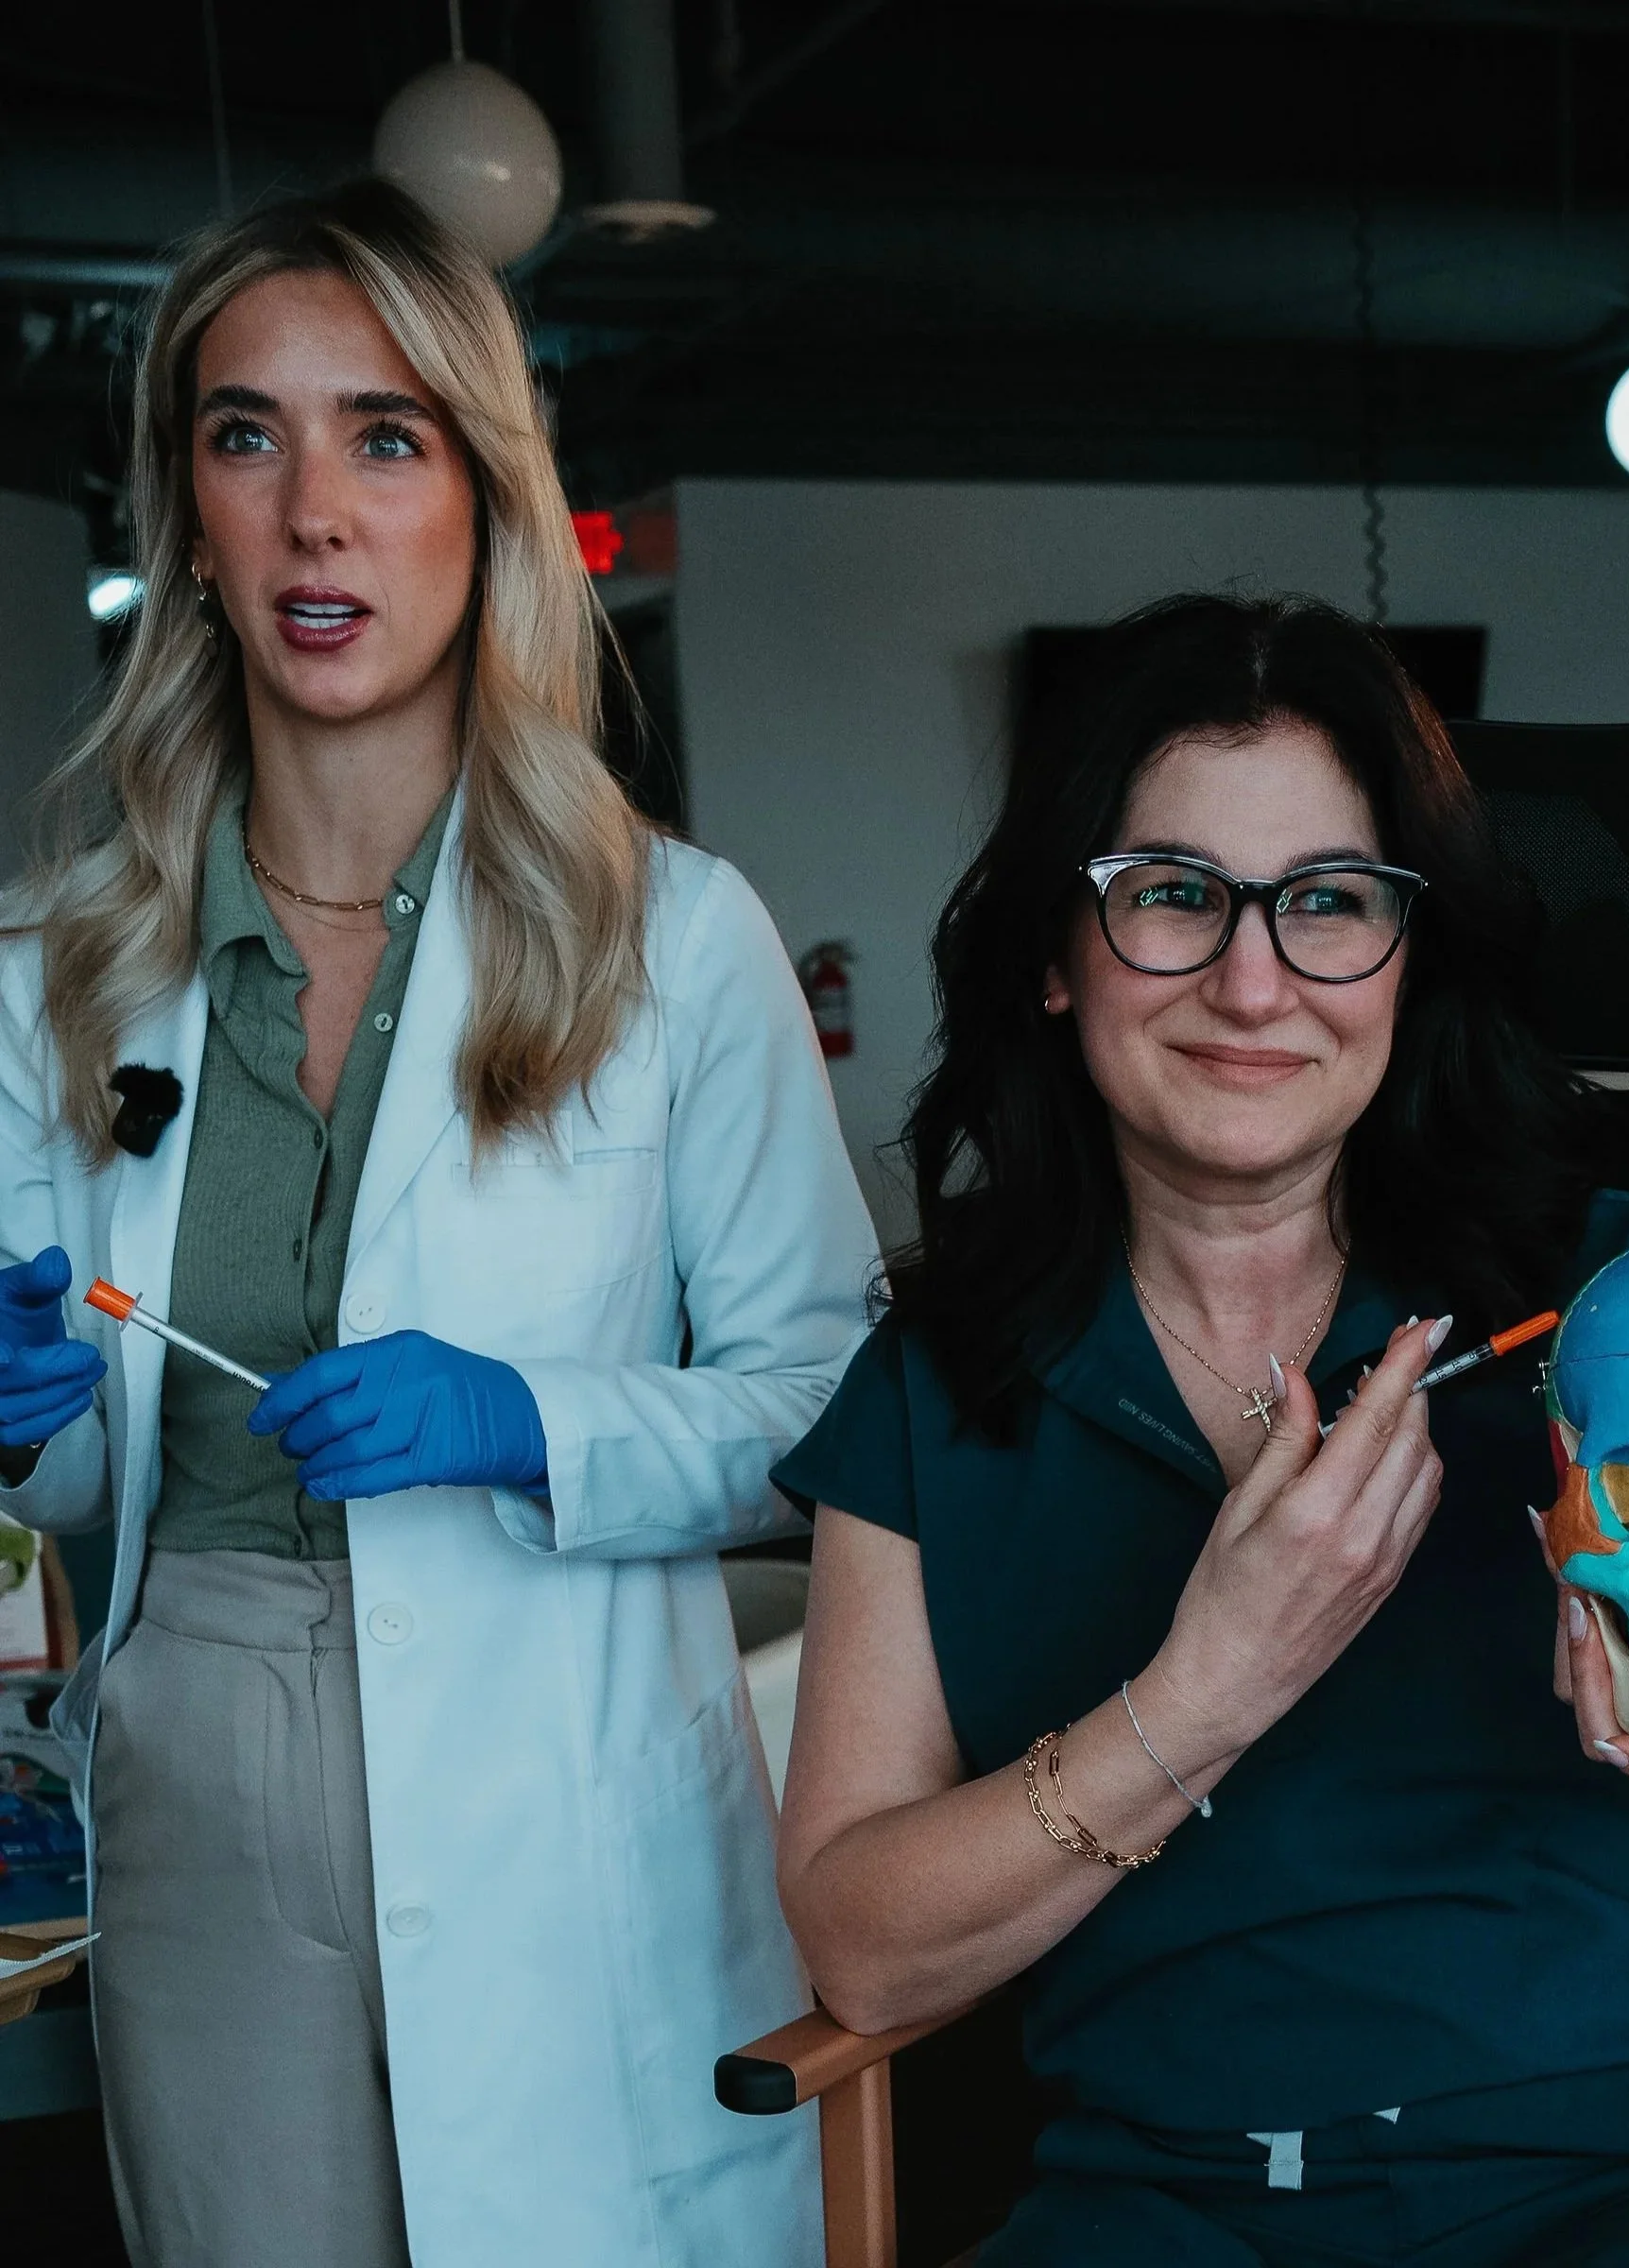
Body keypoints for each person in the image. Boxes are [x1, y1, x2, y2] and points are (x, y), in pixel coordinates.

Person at [773, 594, 1629, 2267]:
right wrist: (1209, 1689)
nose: (1254, 981)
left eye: (1331, 903)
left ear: (1413, 964)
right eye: (1176, 897)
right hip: (1177, 2202)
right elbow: (862, 1951)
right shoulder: (941, 1380)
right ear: (1057, 960)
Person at [0, 181, 874, 2268]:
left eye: (385, 437)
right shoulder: (59, 961)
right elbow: (81, 1468)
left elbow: (834, 1397)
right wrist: (19, 1417)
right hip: (199, 1768)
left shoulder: (671, 935)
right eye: (247, 435)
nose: (315, 510)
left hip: (557, 1756)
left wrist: (535, 1423)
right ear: (187, 518)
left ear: (485, 500)